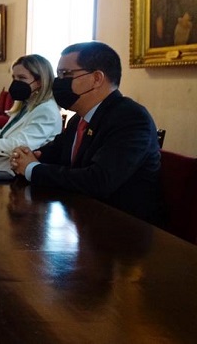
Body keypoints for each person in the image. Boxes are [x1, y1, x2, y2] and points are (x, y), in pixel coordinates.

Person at [10, 41, 164, 225]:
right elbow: (52, 155)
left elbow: (98, 180)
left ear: (97, 78)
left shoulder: (130, 118)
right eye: (58, 74)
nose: (58, 82)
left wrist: (32, 169)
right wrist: (26, 157)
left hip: (122, 229)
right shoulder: (78, 119)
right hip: (80, 219)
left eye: (66, 74)